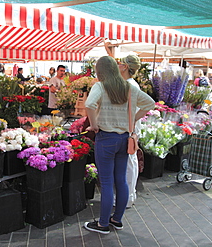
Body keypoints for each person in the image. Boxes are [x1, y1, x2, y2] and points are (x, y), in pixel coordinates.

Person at [84, 56, 154, 234]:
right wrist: (132, 120)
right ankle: (117, 219)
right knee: (121, 180)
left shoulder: (100, 86)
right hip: (124, 139)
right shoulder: (128, 87)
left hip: (106, 139)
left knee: (106, 183)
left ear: (100, 71)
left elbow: (89, 104)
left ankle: (102, 224)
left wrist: (93, 125)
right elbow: (150, 103)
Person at [119, 55, 142, 208]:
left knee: (129, 162)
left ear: (126, 66)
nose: (118, 65)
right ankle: (129, 195)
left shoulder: (129, 85)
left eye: (121, 62)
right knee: (130, 161)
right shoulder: (130, 84)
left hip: (129, 128)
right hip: (131, 127)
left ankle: (127, 197)